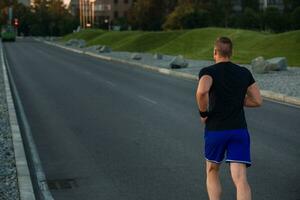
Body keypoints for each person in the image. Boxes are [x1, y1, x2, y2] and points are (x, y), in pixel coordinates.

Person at [196, 37, 262, 200]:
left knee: (212, 171)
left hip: (216, 130)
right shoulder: (244, 72)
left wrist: (203, 114)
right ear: (231, 53)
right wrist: (238, 100)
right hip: (238, 130)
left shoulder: (208, 71)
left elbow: (202, 91)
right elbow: (257, 100)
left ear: (215, 52)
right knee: (240, 179)